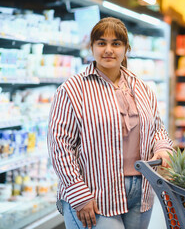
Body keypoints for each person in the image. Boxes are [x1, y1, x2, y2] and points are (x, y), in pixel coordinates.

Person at [48, 17, 173, 229]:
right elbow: (60, 146)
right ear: (92, 47)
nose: (108, 50)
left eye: (116, 43)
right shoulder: (72, 90)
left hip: (141, 192)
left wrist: (162, 148)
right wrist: (78, 193)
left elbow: (156, 128)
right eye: (101, 43)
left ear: (126, 49)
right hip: (95, 193)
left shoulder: (141, 87)